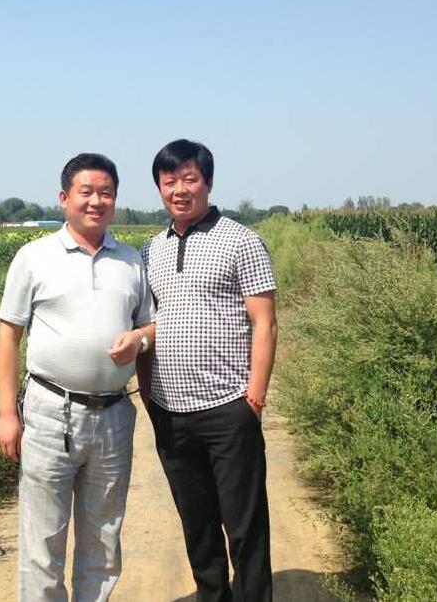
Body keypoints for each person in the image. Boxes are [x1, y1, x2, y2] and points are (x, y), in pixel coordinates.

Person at [0, 152, 154, 602]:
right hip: (50, 412)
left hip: (114, 415)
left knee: (103, 536)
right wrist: (7, 414)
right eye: (86, 192)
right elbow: (8, 336)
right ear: (64, 198)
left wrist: (139, 340)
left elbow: (150, 327)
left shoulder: (131, 261)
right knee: (43, 538)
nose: (96, 201)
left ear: (116, 200)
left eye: (106, 192)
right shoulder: (34, 257)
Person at [137, 139, 277, 602]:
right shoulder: (151, 249)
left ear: (208, 182)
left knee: (244, 526)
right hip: (170, 413)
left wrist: (254, 397)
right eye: (169, 181)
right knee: (197, 526)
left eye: (189, 179)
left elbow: (265, 323)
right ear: (160, 188)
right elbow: (150, 323)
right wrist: (147, 391)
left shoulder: (241, 241)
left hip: (228, 409)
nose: (179, 190)